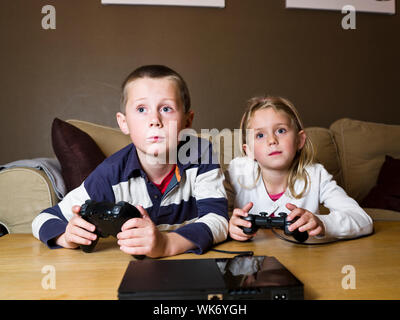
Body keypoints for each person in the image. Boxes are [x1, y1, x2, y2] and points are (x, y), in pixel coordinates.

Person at [32, 65, 229, 257]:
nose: (155, 120)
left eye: (166, 108)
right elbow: (43, 219)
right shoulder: (111, 174)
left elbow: (218, 220)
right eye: (142, 109)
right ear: (124, 123)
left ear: (187, 121)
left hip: (191, 268)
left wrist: (167, 244)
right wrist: (66, 236)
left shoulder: (201, 154)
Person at [226, 96, 373, 241]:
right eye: (260, 135)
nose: (272, 140)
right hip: (249, 260)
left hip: (303, 260)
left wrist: (322, 223)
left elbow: (363, 220)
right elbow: (210, 217)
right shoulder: (237, 172)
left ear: (300, 140)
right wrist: (228, 225)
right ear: (248, 151)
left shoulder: (315, 175)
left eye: (281, 131)